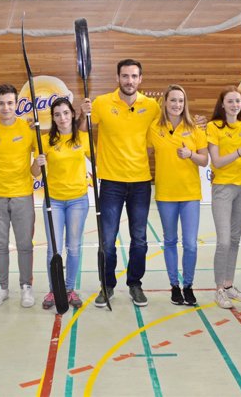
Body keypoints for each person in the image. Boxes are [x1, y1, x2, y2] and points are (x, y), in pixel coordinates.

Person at [82, 59, 159, 308]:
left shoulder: (152, 106)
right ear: (117, 78)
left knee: (139, 239)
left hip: (140, 182)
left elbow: (168, 127)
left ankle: (135, 284)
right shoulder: (102, 103)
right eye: (125, 76)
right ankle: (107, 286)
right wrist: (84, 114)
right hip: (112, 183)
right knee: (107, 239)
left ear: (141, 79)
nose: (129, 80)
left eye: (134, 76)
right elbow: (83, 129)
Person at [147, 85, 208, 306]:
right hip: (165, 194)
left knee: (190, 244)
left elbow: (205, 160)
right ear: (165, 102)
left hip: (190, 194)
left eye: (181, 101)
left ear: (185, 103)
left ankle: (188, 286)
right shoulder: (154, 128)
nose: (177, 105)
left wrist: (190, 154)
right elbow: (145, 152)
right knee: (170, 241)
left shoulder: (195, 127)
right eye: (173, 100)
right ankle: (174, 286)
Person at [0, 84, 37, 308]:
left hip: (23, 195)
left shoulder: (28, 128)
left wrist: (39, 165)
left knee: (24, 244)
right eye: (1, 103)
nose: (6, 107)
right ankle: (2, 287)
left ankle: (26, 286)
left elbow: (39, 160)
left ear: (17, 104)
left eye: (10, 103)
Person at [32, 97, 90, 310]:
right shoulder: (46, 140)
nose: (62, 118)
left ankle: (68, 289)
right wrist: (37, 164)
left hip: (78, 200)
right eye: (57, 114)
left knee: (73, 248)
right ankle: (54, 290)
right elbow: (34, 172)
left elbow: (99, 160)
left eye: (66, 113)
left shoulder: (83, 138)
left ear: (72, 114)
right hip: (53, 201)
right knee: (53, 249)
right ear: (53, 118)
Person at [206, 86, 241, 309]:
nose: (235, 105)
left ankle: (228, 285)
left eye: (238, 101)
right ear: (222, 104)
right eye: (230, 101)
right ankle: (218, 288)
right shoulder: (213, 126)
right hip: (223, 188)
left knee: (235, 240)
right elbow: (216, 162)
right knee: (224, 240)